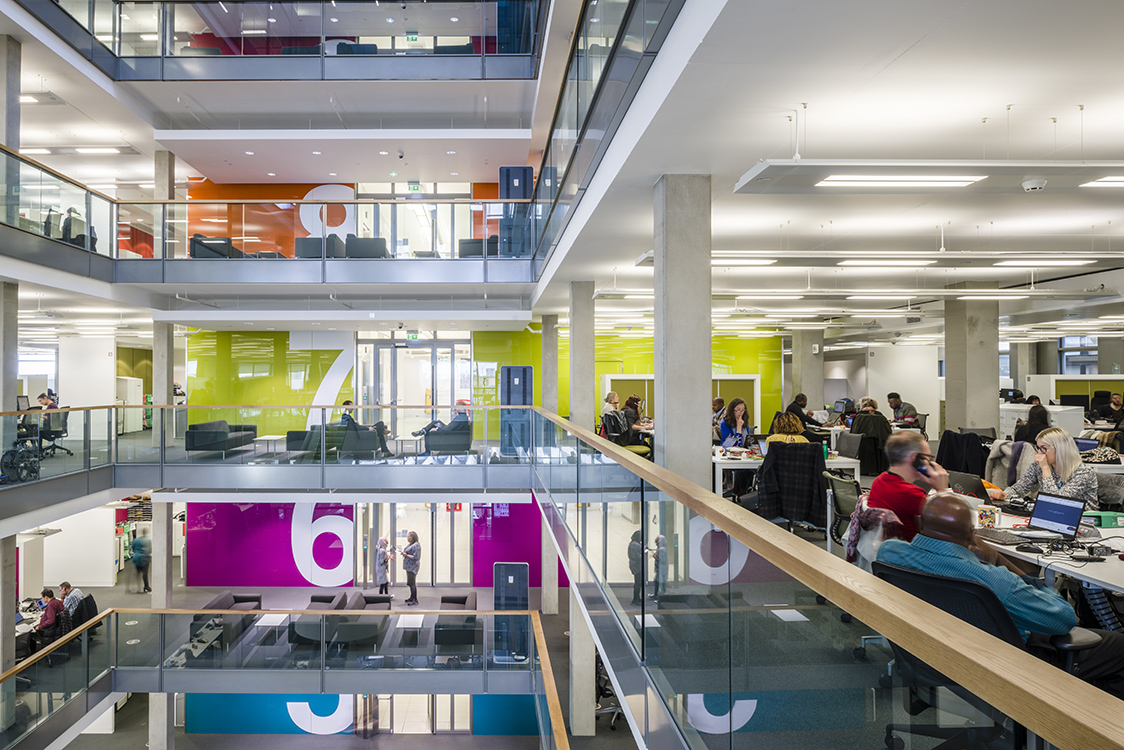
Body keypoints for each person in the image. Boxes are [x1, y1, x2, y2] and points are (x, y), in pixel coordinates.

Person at [877, 491, 1124, 700]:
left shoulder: (890, 554)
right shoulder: (994, 580)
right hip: (1003, 667)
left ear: (921, 524)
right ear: (972, 535)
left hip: (933, 656)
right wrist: (998, 559)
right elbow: (1063, 618)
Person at [867, 431, 949, 541]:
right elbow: (947, 528)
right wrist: (942, 490)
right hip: (914, 554)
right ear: (915, 459)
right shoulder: (911, 494)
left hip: (887, 553)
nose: (929, 463)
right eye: (927, 458)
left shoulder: (879, 481)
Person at [989, 427, 1097, 504]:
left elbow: (1056, 502)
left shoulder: (1083, 472)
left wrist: (1045, 468)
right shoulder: (1039, 466)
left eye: (1044, 448)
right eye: (1038, 448)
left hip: (1084, 522)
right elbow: (1019, 488)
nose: (1039, 453)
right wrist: (1005, 495)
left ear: (1061, 450)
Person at [401, 531, 421, 606]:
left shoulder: (416, 545)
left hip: (412, 567)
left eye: (409, 536)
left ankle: (415, 600)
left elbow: (416, 557)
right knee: (410, 583)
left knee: (412, 583)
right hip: (409, 566)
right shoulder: (411, 544)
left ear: (413, 537)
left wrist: (406, 555)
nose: (408, 538)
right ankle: (411, 597)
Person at [132, 529, 152, 593]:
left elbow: (133, 548)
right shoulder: (148, 540)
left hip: (136, 558)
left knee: (138, 573)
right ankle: (146, 586)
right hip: (144, 558)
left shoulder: (136, 540)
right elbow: (149, 550)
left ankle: (138, 587)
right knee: (145, 573)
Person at [628, 530, 644, 606]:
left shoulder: (634, 544)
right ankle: (635, 599)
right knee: (637, 583)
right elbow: (636, 556)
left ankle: (637, 597)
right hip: (637, 566)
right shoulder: (635, 545)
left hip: (636, 566)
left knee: (638, 583)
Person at [650, 535, 667, 602]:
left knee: (660, 582)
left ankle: (660, 597)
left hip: (661, 568)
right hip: (659, 568)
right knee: (657, 581)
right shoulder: (660, 549)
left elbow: (662, 560)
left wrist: (655, 557)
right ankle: (656, 595)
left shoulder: (662, 549)